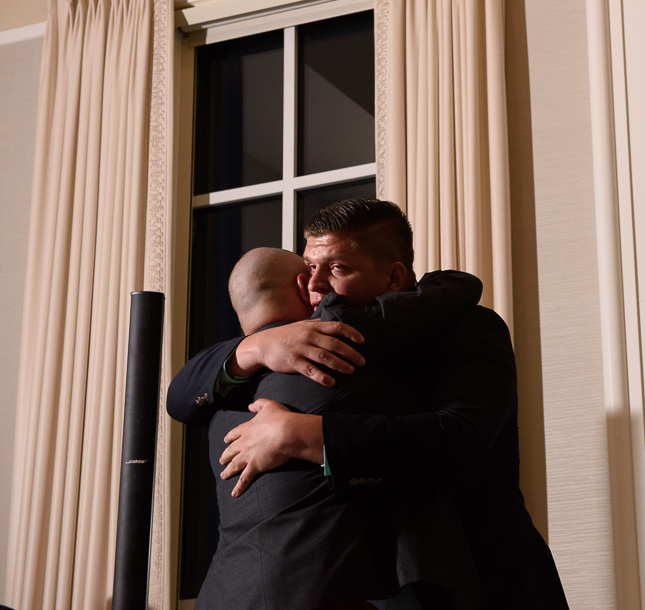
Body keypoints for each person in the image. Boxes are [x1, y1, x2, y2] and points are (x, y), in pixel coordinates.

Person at [168, 198, 569, 609]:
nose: (315, 284)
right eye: (309, 269)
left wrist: (303, 434)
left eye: (337, 268)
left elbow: (459, 439)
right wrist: (253, 348)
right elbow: (182, 398)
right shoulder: (289, 346)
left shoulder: (468, 327)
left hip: (480, 580)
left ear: (395, 276)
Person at [195, 247, 484, 609]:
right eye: (315, 271)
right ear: (305, 285)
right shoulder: (343, 347)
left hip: (227, 594)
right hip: (322, 594)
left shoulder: (220, 402)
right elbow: (445, 299)